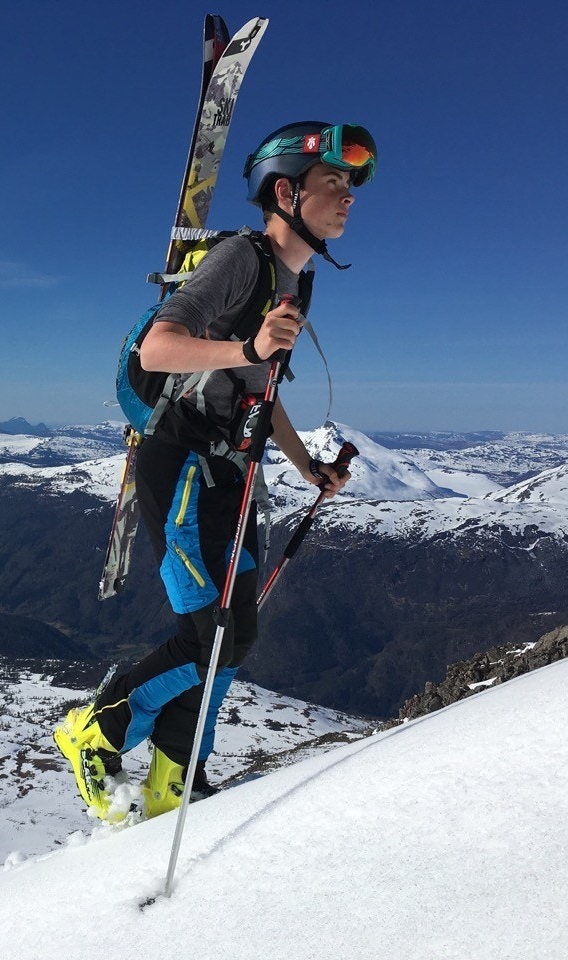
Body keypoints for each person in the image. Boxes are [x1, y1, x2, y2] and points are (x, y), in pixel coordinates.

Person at [55, 121, 377, 819]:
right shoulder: (241, 258)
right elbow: (157, 350)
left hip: (233, 470)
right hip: (183, 465)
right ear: (287, 191)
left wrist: (307, 466)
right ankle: (97, 732)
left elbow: (263, 389)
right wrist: (247, 344)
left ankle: (176, 779)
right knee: (209, 634)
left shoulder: (299, 280)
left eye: (351, 187)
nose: (348, 197)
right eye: (334, 183)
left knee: (238, 633)